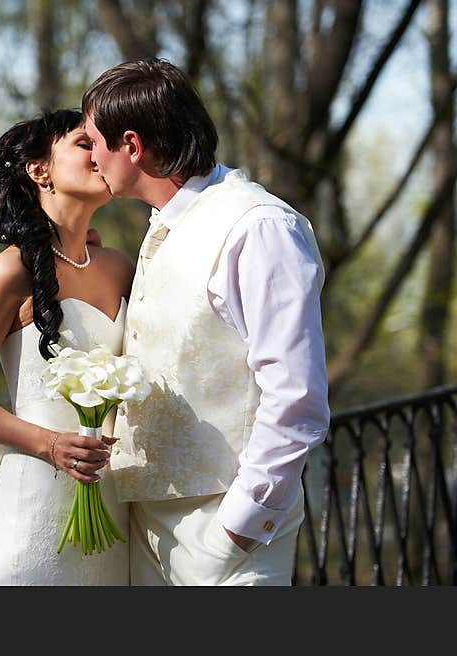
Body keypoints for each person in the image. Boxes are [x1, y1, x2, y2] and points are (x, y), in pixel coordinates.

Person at [81, 58, 330, 586]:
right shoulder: (163, 227)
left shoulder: (259, 227)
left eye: (92, 141)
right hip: (146, 527)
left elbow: (296, 399)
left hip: (229, 528)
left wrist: (235, 532)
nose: (91, 156)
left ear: (131, 145)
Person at [0, 109, 135, 585]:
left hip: (114, 510)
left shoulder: (121, 266)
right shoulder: (9, 272)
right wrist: (49, 445)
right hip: (37, 507)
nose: (100, 154)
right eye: (84, 144)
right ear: (40, 170)